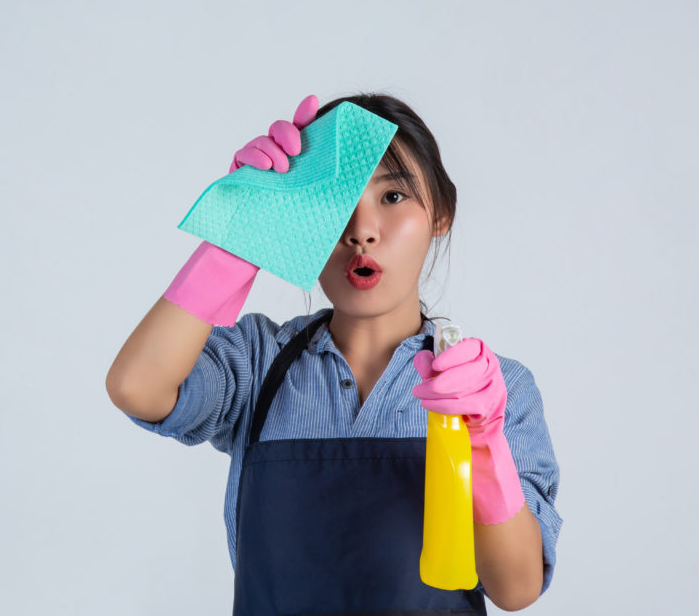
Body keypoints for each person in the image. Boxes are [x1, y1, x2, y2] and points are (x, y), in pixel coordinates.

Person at [105, 93, 562, 614]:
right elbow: (137, 388)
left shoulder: (495, 391)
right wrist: (238, 234)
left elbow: (516, 587)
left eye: (392, 197)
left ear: (441, 214)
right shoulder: (258, 364)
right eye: (335, 202)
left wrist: (483, 443)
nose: (361, 231)